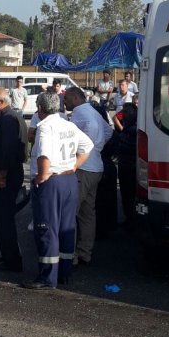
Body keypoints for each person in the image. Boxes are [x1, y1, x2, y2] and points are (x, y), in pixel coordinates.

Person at [23, 91, 93, 290]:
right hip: (69, 180)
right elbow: (87, 145)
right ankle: (64, 272)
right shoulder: (68, 124)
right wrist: (75, 166)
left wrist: (41, 177)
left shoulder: (45, 127)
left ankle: (47, 278)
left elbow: (44, 154)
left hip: (51, 181)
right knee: (66, 228)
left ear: (39, 108)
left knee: (46, 229)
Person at [64, 86, 114, 266]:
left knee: (71, 212)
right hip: (96, 167)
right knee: (87, 213)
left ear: (76, 98)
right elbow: (109, 131)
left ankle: (71, 255)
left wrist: (85, 148)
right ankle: (85, 252)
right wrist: (97, 147)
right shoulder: (92, 111)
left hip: (83, 168)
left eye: (67, 98)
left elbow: (89, 131)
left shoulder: (79, 112)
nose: (65, 101)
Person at [0, 86, 28, 273]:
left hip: (8, 174)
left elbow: (9, 150)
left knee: (4, 218)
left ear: (1, 102)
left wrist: (2, 175)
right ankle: (8, 255)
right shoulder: (8, 117)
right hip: (10, 172)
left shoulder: (8, 120)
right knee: (3, 217)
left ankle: (12, 261)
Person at [112, 102, 138, 227]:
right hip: (124, 164)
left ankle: (132, 220)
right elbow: (116, 117)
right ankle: (129, 219)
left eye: (127, 112)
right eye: (124, 112)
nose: (124, 115)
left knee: (130, 194)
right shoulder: (126, 127)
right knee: (125, 194)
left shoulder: (134, 130)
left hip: (131, 166)